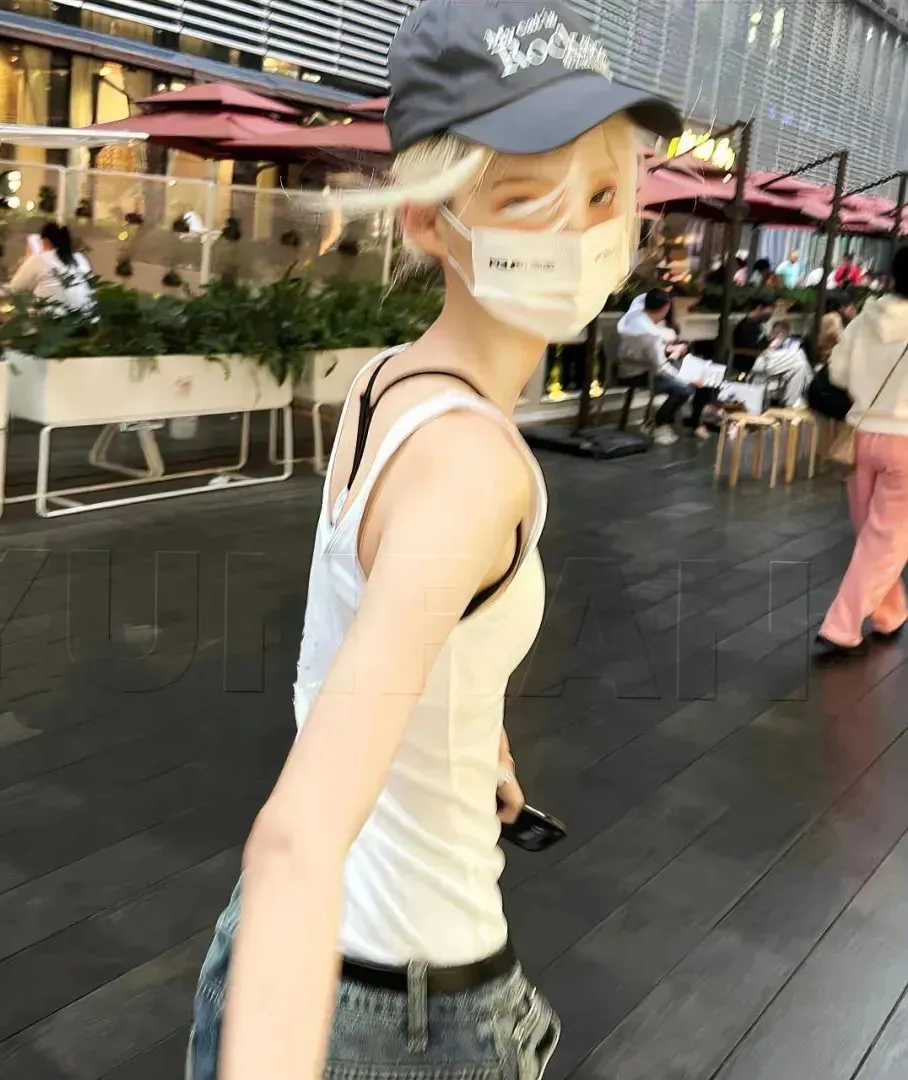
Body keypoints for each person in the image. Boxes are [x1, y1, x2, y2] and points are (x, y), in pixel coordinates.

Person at [185, 3, 682, 1079]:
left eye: (603, 194)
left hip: (316, 955)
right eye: (524, 199)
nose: (578, 233)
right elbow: (295, 841)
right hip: (396, 1009)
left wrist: (470, 737)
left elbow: (384, 622)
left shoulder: (389, 381)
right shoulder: (470, 465)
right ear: (426, 221)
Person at [817, 245, 908, 659]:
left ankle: (890, 614)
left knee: (871, 533)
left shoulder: (865, 318)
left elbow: (837, 372)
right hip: (905, 440)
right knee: (885, 539)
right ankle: (842, 626)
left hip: (860, 435)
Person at [617, 288, 712, 443]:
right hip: (641, 375)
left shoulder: (635, 318)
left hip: (629, 369)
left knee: (691, 376)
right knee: (684, 389)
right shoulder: (651, 333)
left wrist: (669, 350)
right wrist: (688, 379)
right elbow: (661, 367)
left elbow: (642, 351)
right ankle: (657, 423)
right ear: (665, 308)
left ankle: (683, 421)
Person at [9, 222, 94, 313]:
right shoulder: (80, 258)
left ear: (45, 241)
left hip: (51, 318)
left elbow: (16, 287)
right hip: (84, 315)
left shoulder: (40, 259)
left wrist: (27, 259)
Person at [750, 320, 812, 406]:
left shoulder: (794, 349)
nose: (773, 335)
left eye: (779, 332)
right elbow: (762, 367)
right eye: (775, 332)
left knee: (799, 364)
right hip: (765, 387)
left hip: (782, 390)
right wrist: (772, 347)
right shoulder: (765, 346)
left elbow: (769, 366)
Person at [731, 293, 776, 375]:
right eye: (769, 311)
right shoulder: (747, 326)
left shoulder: (756, 324)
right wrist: (760, 353)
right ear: (759, 308)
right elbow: (736, 350)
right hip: (747, 366)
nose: (770, 314)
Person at [818, 291, 858, 367]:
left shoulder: (826, 318)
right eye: (852, 307)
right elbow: (845, 344)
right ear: (841, 308)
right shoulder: (833, 319)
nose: (855, 311)